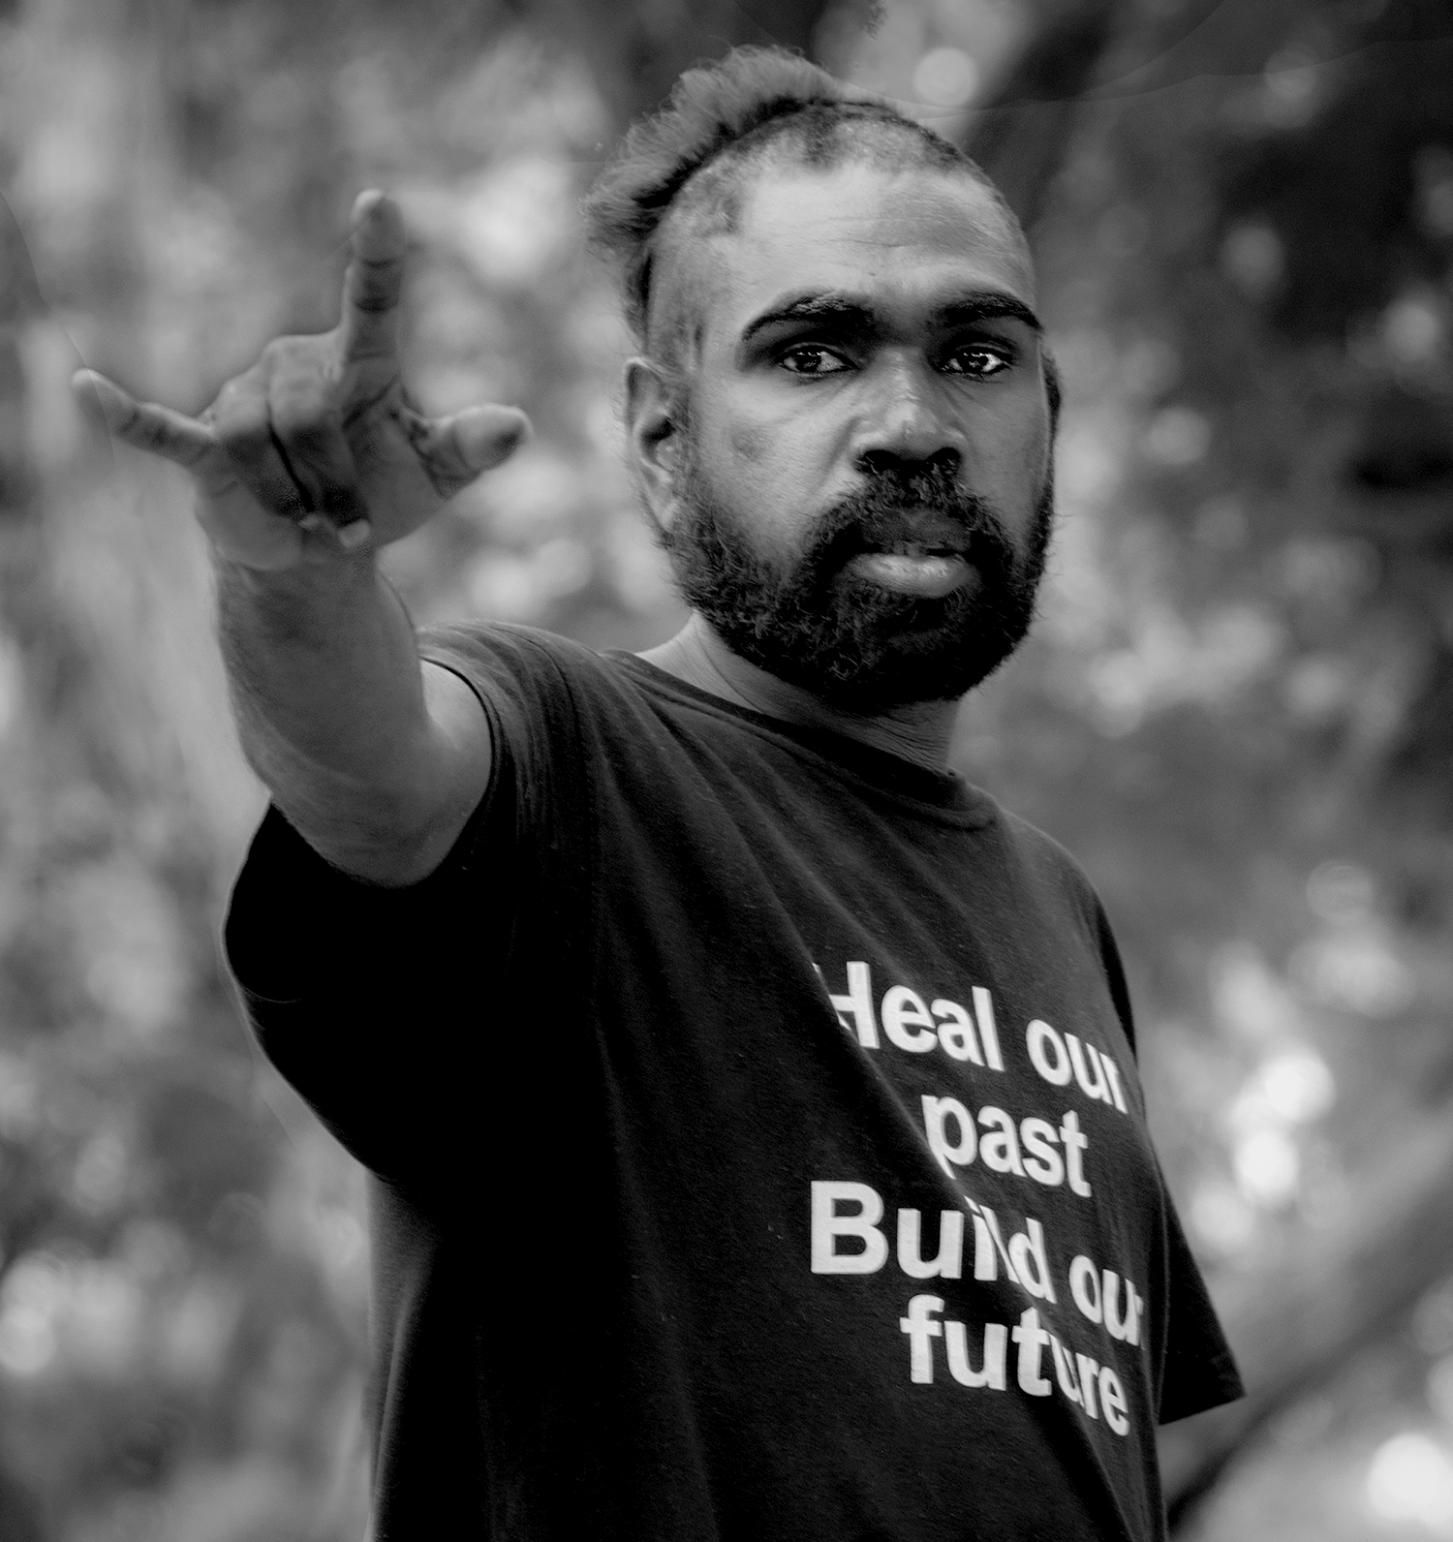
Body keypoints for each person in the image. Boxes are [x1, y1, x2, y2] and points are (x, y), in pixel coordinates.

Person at [77, 45, 1242, 1542]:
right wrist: (298, 585)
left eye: (977, 352)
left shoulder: (1058, 908)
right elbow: (375, 777)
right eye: (811, 353)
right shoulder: (573, 756)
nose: (912, 422)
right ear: (659, 432)